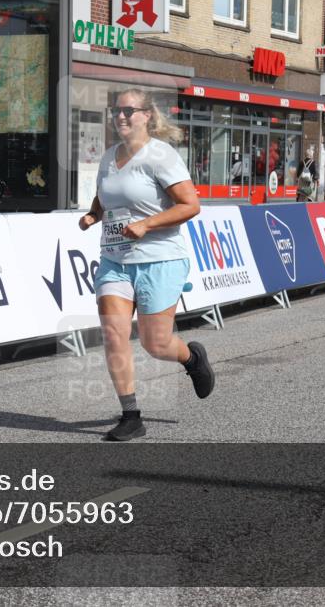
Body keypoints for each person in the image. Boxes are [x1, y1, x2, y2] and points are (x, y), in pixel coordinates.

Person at [78, 88, 215, 442]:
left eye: (128, 111)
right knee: (113, 334)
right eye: (116, 111)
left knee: (156, 343)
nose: (121, 116)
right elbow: (108, 194)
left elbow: (190, 206)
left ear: (147, 116)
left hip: (160, 258)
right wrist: (95, 214)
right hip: (115, 259)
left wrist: (147, 224)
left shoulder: (161, 156)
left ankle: (191, 359)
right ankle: (131, 415)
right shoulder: (109, 157)